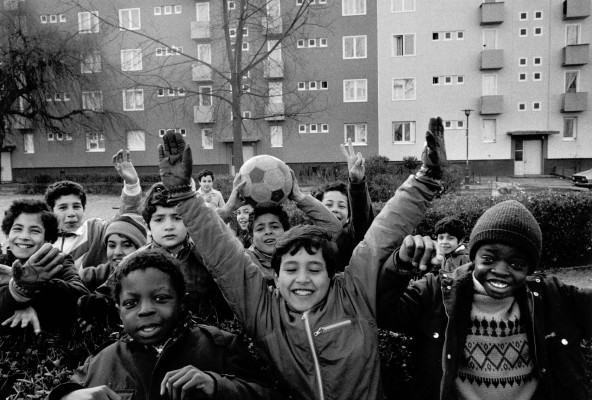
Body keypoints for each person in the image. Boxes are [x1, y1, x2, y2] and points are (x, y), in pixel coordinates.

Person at [156, 117, 444, 399]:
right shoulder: (263, 312)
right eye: (291, 268)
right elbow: (225, 256)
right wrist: (184, 196)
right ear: (276, 277)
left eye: (315, 268)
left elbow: (381, 236)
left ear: (332, 275)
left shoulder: (353, 294)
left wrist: (425, 181)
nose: (302, 279)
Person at [378, 199, 592, 400]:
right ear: (473, 257)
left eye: (517, 265)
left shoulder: (553, 295)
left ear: (530, 269)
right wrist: (400, 263)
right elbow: (384, 313)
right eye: (488, 259)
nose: (500, 271)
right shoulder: (435, 291)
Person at [48, 249, 278, 400]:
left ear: (182, 303)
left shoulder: (222, 347)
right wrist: (68, 397)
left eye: (160, 298)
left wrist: (216, 385)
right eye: (131, 303)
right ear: (119, 312)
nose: (145, 309)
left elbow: (270, 395)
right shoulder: (100, 362)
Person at [218, 171, 342, 282]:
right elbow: (204, 242)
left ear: (286, 231)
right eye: (260, 228)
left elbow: (333, 228)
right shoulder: (243, 259)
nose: (268, 232)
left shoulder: (299, 251)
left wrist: (299, 197)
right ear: (251, 237)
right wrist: (228, 209)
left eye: (275, 226)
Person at [0, 199, 88, 334]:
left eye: (35, 231)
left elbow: (82, 297)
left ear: (47, 239)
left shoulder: (59, 261)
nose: (24, 236)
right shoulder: (2, 263)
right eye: (17, 229)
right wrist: (19, 295)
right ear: (8, 233)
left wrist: (38, 285)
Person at [44, 150, 142, 270]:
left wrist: (131, 184)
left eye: (76, 206)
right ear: (51, 211)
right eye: (63, 207)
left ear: (84, 209)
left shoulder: (96, 231)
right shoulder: (41, 236)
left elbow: (125, 217)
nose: (71, 214)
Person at [314, 139, 374, 270]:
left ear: (348, 217)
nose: (335, 210)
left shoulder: (351, 238)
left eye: (341, 206)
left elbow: (361, 217)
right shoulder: (309, 239)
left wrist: (356, 183)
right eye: (328, 205)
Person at [79, 213, 148, 292]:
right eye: (112, 245)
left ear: (140, 249)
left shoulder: (153, 279)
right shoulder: (93, 276)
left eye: (126, 245)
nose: (117, 252)